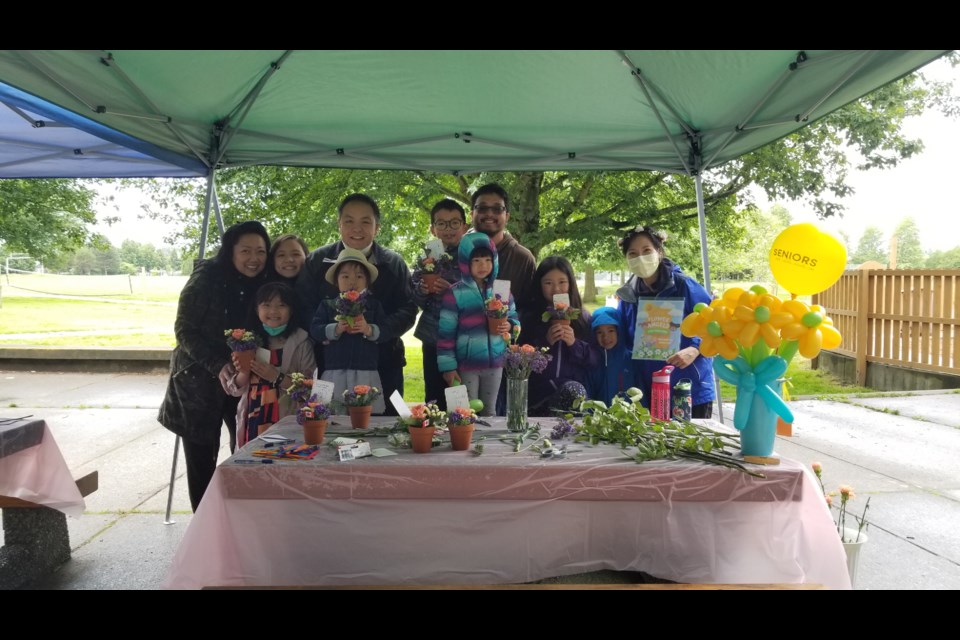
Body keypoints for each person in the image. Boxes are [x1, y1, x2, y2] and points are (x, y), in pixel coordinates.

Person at [158, 220, 270, 511]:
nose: (254, 258)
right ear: (230, 251)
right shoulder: (207, 276)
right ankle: (204, 528)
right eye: (245, 250)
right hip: (197, 382)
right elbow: (184, 330)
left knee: (245, 450)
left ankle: (239, 520)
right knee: (200, 462)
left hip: (242, 380)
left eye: (260, 251)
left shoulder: (262, 281)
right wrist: (217, 364)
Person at [296, 194, 416, 414]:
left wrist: (378, 331)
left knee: (384, 426)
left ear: (377, 227)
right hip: (329, 365)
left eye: (365, 222)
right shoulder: (317, 261)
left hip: (385, 364)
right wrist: (325, 332)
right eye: (349, 221)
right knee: (329, 424)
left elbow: (408, 309)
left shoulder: (393, 263)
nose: (357, 229)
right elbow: (303, 307)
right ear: (339, 224)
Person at [616, 225, 715, 418]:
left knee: (689, 447)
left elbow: (713, 325)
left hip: (689, 389)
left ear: (659, 252)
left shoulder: (684, 285)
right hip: (648, 393)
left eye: (647, 251)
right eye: (633, 254)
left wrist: (695, 348)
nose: (641, 258)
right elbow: (623, 339)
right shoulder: (627, 296)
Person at [219, 282, 316, 448]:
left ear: (291, 310)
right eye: (267, 305)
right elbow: (233, 389)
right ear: (257, 309)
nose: (273, 311)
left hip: (286, 417)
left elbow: (310, 389)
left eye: (282, 305)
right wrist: (243, 373)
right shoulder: (246, 342)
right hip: (254, 418)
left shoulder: (301, 342)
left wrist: (277, 377)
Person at [437, 232, 520, 416]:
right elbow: (445, 334)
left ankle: (487, 445)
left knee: (489, 410)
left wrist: (511, 326)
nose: (483, 265)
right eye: (476, 260)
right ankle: (466, 442)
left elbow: (514, 317)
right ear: (466, 261)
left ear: (495, 261)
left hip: (496, 363)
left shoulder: (501, 290)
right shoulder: (455, 293)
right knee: (465, 412)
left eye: (487, 260)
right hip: (467, 364)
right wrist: (448, 367)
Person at [309, 248, 386, 414]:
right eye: (345, 276)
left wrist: (368, 329)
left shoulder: (373, 306)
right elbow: (315, 329)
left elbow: (384, 331)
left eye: (359, 276)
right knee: (334, 414)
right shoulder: (328, 305)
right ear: (336, 281)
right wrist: (335, 329)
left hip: (365, 369)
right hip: (335, 369)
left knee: (365, 414)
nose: (352, 281)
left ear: (367, 281)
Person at [519, 256, 598, 415]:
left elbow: (595, 359)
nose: (556, 289)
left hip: (574, 394)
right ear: (539, 285)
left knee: (572, 391)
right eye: (548, 283)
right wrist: (544, 342)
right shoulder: (529, 318)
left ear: (571, 283)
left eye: (562, 282)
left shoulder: (583, 318)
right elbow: (519, 362)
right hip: (538, 397)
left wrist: (573, 343)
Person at [412, 198, 468, 409]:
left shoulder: (472, 256)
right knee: (435, 398)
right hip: (432, 337)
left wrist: (453, 289)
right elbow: (415, 299)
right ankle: (433, 434)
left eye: (454, 223)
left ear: (464, 226)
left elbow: (480, 293)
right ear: (433, 229)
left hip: (463, 338)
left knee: (461, 398)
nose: (448, 229)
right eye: (441, 223)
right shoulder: (426, 258)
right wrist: (423, 290)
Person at [471, 183, 536, 314]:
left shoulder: (523, 259)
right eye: (482, 208)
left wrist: (510, 327)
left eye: (497, 209)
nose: (489, 214)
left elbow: (531, 308)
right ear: (472, 213)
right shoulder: (456, 252)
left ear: (507, 216)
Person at [585, 306, 640, 406]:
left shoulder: (631, 359)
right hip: (598, 418)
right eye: (599, 332)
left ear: (619, 331)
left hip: (628, 418)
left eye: (611, 331)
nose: (605, 337)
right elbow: (587, 395)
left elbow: (640, 393)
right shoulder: (591, 361)